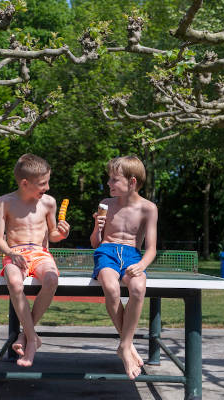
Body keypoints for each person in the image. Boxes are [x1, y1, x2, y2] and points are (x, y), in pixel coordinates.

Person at [0, 153, 70, 367]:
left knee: (52, 279)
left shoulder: (49, 202)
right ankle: (32, 339)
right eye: (42, 183)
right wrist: (11, 254)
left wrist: (62, 234)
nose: (47, 187)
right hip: (15, 252)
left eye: (48, 181)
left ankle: (26, 336)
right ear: (25, 183)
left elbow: (53, 234)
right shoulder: (5, 202)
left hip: (40, 253)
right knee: (15, 282)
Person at [90, 155, 158, 380]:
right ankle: (126, 346)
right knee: (111, 288)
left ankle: (124, 345)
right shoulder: (105, 204)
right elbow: (95, 244)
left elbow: (151, 249)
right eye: (109, 179)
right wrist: (97, 228)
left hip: (132, 255)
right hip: (106, 252)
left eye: (114, 180)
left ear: (132, 182)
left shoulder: (148, 208)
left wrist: (141, 265)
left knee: (138, 288)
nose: (108, 184)